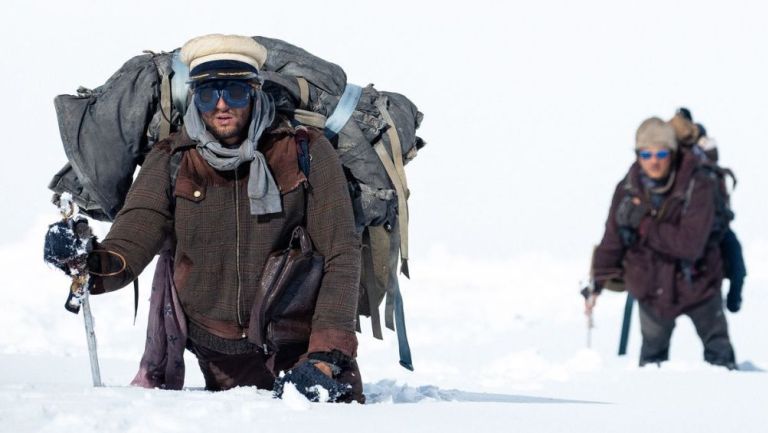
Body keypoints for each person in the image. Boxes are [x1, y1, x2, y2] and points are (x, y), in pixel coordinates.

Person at [49, 34, 364, 400]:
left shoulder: (306, 150)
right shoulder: (171, 159)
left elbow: (341, 254)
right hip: (221, 357)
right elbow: (130, 243)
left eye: (234, 92)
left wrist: (326, 356)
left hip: (304, 349)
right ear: (194, 96)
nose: (220, 106)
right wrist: (81, 259)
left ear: (255, 91)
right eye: (207, 93)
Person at [588, 117, 737, 369]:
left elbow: (689, 245)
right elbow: (612, 240)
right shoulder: (627, 189)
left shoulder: (698, 183)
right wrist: (596, 284)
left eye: (661, 153)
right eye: (646, 154)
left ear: (673, 152)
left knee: (721, 359)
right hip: (651, 288)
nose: (654, 161)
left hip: (699, 285)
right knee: (652, 364)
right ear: (637, 155)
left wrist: (643, 223)